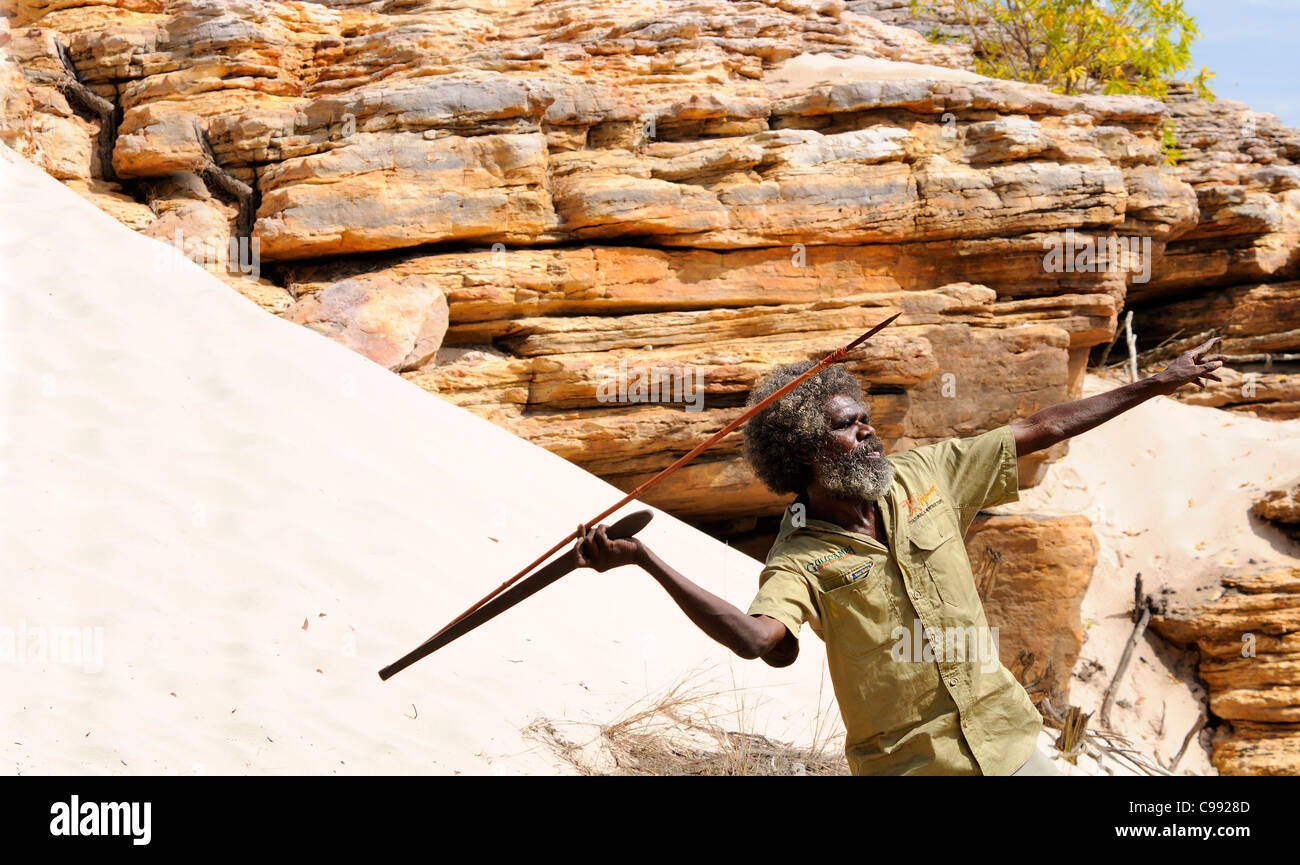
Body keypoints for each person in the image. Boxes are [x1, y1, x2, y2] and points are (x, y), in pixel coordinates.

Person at [573, 337, 1226, 775]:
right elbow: (758, 638)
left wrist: (1157, 381)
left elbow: (1043, 427)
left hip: (1006, 740)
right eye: (847, 423)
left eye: (866, 416)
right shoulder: (801, 557)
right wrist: (646, 560)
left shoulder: (926, 474)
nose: (868, 427)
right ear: (806, 453)